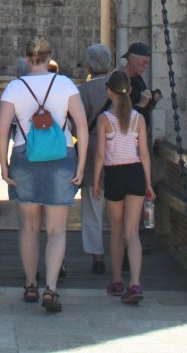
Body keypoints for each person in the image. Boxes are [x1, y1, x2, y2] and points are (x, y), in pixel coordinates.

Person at [0, 34, 88, 315]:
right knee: (57, 229)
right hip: (61, 158)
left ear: (27, 58)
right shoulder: (65, 84)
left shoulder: (14, 87)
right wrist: (81, 165)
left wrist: (3, 166)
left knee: (29, 227)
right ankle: (51, 288)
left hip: (24, 157)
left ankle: (30, 284)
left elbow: (2, 130)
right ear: (49, 58)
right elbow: (82, 126)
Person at [93, 69, 154, 305]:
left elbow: (100, 155)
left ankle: (117, 281)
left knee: (116, 231)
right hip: (136, 173)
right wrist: (148, 183)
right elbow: (144, 154)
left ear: (109, 91)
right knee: (132, 232)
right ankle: (135, 284)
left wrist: (96, 181)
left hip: (115, 175)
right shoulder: (139, 119)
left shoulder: (105, 119)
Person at [77, 43, 112, 275]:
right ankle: (123, 251)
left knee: (92, 207)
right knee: (118, 208)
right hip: (118, 154)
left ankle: (97, 256)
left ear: (89, 65)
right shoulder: (120, 88)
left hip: (91, 153)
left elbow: (77, 125)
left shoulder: (83, 92)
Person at [121, 42, 162, 128]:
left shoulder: (137, 77)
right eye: (144, 62)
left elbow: (142, 105)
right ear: (133, 60)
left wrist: (152, 100)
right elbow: (119, 114)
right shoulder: (120, 80)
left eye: (147, 63)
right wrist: (141, 104)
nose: (146, 66)